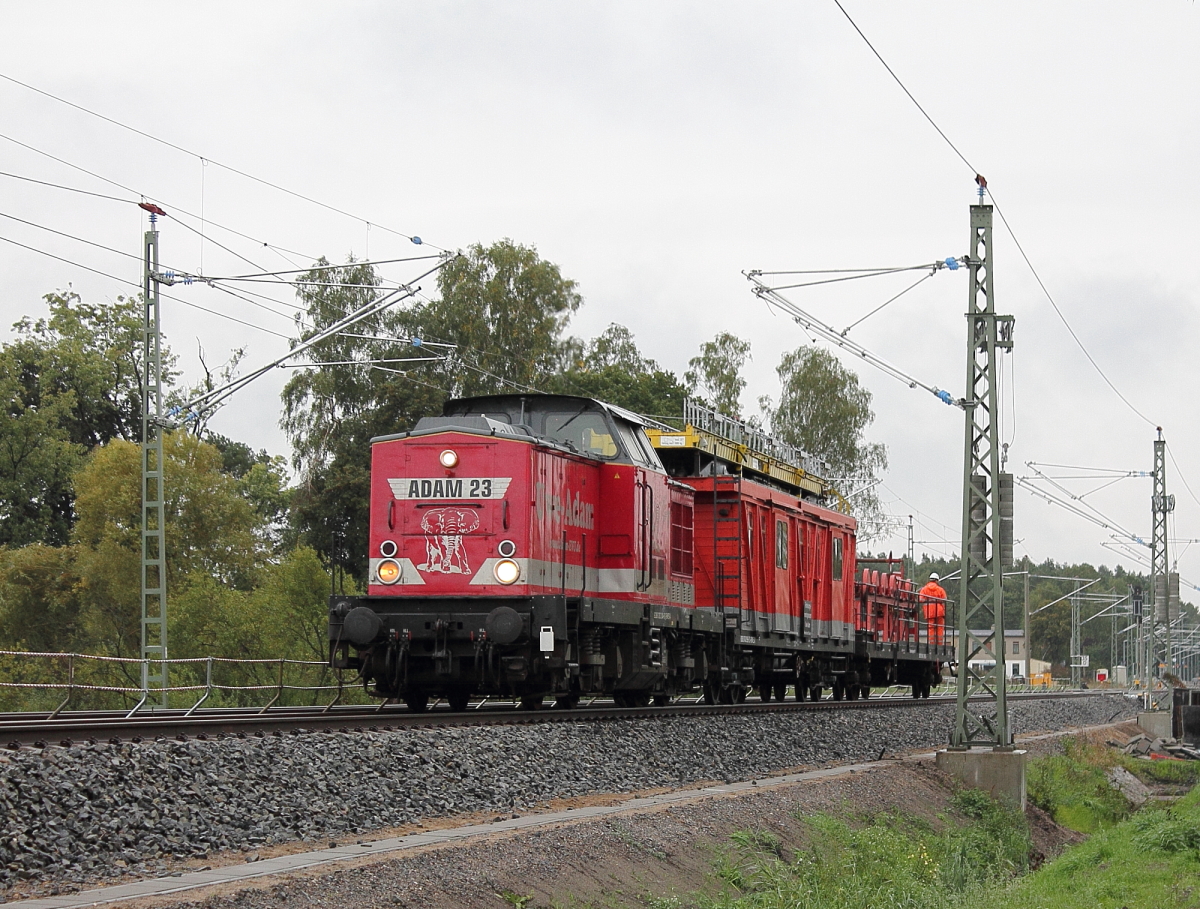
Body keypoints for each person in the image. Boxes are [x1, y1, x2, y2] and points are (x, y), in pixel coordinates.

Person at [919, 572, 947, 646]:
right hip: (939, 611)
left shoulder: (924, 589)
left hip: (929, 611)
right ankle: (939, 644)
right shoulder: (940, 590)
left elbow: (921, 599)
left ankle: (931, 643)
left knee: (931, 628)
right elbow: (944, 599)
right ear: (937, 580)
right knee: (940, 627)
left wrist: (928, 600)